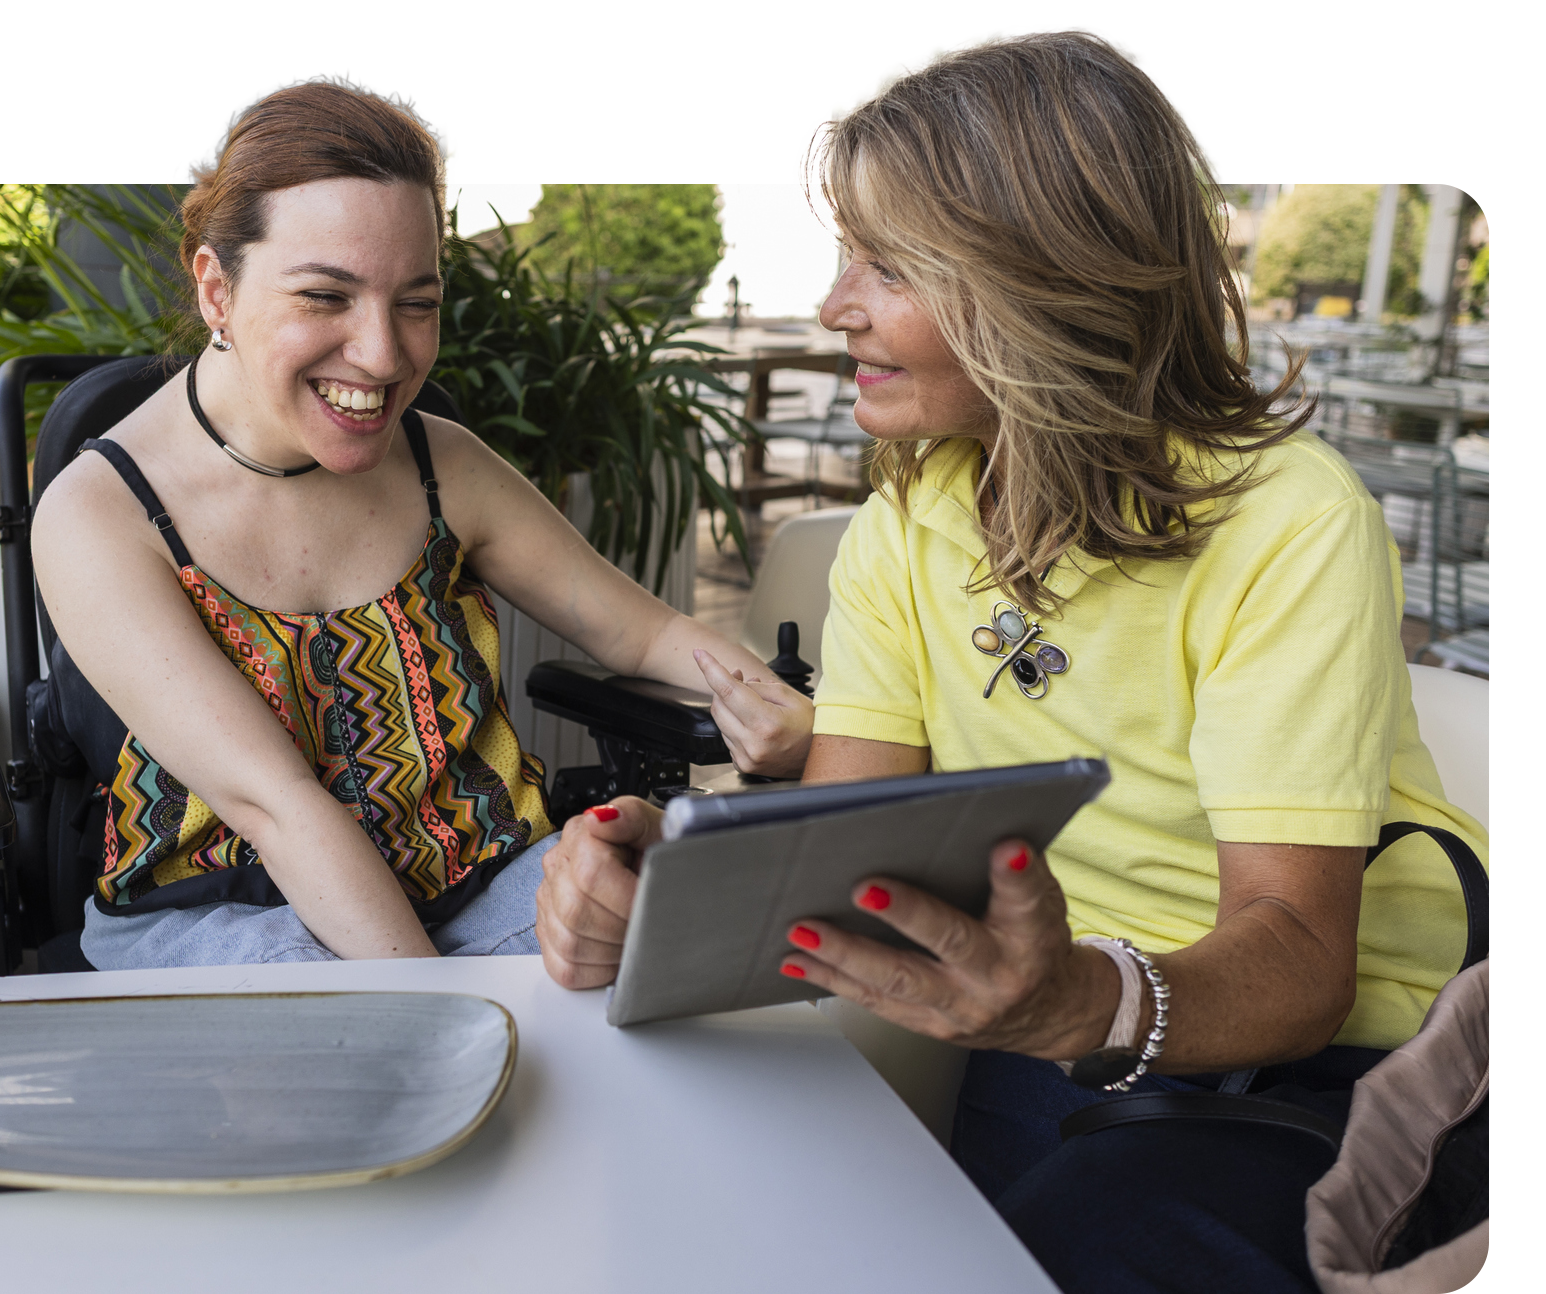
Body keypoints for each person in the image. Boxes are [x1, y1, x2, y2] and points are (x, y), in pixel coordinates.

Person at [534, 30, 1487, 1293]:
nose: (835, 308)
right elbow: (838, 851)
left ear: (1046, 280)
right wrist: (666, 892)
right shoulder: (908, 520)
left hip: (1337, 1066)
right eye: (842, 256)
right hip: (1032, 1022)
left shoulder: (1290, 520)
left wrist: (1075, 1010)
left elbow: (1303, 965)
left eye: (891, 265)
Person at [32, 80, 810, 971]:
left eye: (416, 301)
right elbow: (274, 805)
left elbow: (645, 632)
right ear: (216, 286)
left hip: (477, 877)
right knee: (344, 1055)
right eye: (325, 297)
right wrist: (438, 1016)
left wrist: (792, 718)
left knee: (664, 945)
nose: (385, 354)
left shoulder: (444, 465)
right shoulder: (103, 514)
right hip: (229, 910)